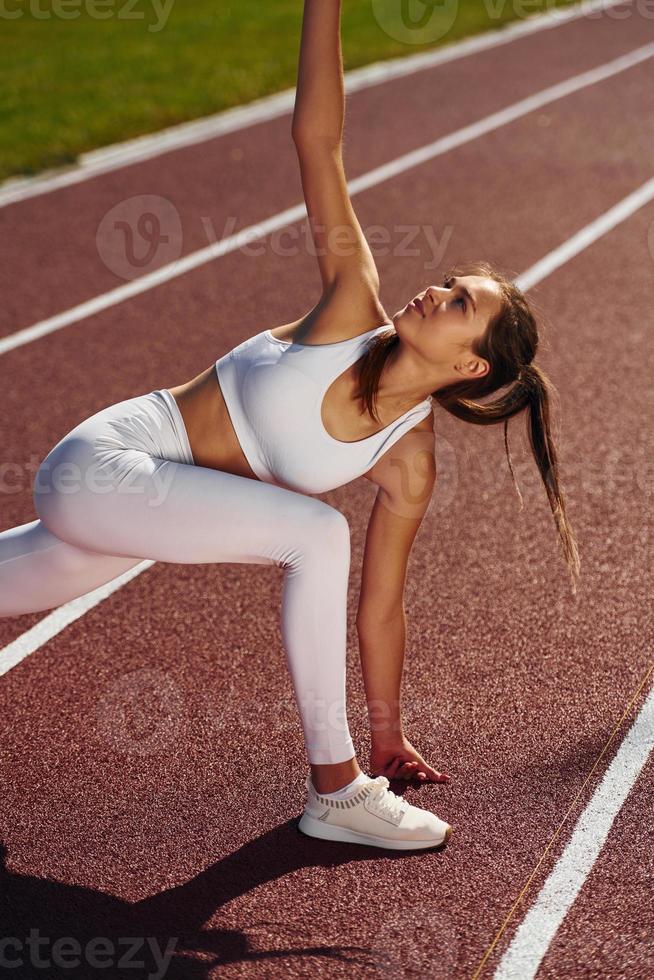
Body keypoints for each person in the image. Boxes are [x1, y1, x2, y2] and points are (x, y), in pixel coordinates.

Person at [0, 0, 579, 851]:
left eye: (460, 302)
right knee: (315, 531)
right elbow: (320, 142)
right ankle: (335, 791)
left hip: (131, 518)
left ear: (472, 367)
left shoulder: (408, 461)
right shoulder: (352, 305)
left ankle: (356, 766)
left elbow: (383, 608)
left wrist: (390, 733)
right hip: (108, 459)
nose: (437, 288)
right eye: (451, 278)